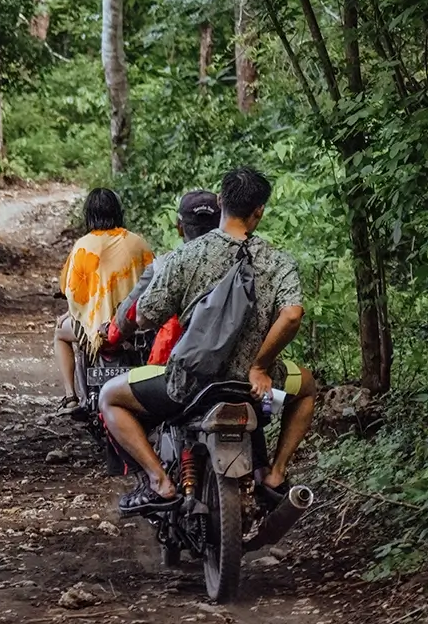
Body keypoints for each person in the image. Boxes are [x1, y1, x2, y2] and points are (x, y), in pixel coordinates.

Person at [99, 167, 316, 517]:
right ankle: (275, 476)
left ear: (220, 202)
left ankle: (159, 482)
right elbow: (292, 314)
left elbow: (143, 316)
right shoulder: (278, 261)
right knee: (307, 387)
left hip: (187, 384)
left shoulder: (185, 256)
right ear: (259, 211)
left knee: (110, 396)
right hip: (252, 386)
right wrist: (260, 366)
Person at [54, 188, 153, 411]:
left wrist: (70, 314)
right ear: (119, 212)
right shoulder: (138, 243)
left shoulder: (82, 246)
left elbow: (72, 293)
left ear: (88, 214)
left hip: (94, 331)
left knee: (60, 333)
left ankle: (70, 397)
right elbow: (155, 281)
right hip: (132, 328)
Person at [108, 189, 222, 364]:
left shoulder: (164, 264)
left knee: (110, 392)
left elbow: (131, 314)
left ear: (179, 227)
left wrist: (114, 333)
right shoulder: (242, 259)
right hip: (234, 367)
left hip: (177, 368)